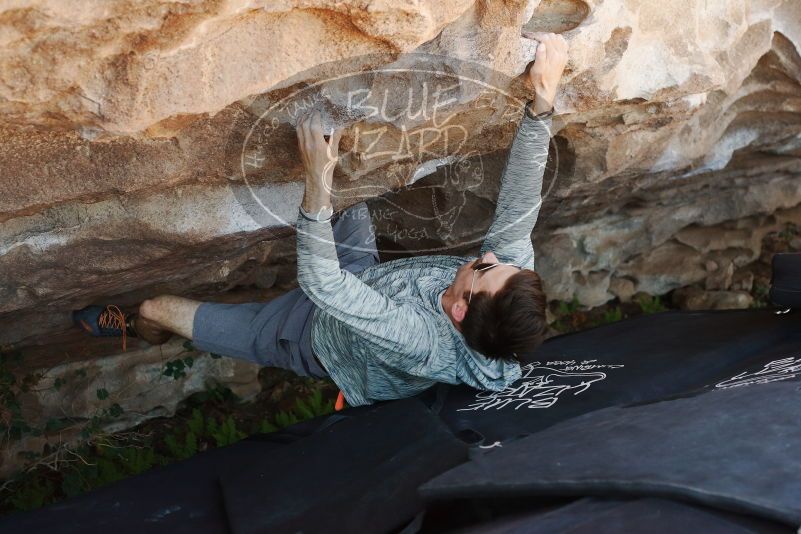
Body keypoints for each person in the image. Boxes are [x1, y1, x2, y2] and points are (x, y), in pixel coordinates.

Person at [73, 32, 569, 407]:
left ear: (460, 312)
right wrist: (544, 100)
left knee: (158, 306)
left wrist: (316, 180)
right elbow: (519, 203)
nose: (487, 256)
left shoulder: (419, 342)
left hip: (311, 333)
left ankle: (141, 330)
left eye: (483, 270)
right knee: (353, 188)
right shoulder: (502, 284)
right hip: (368, 280)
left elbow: (324, 287)